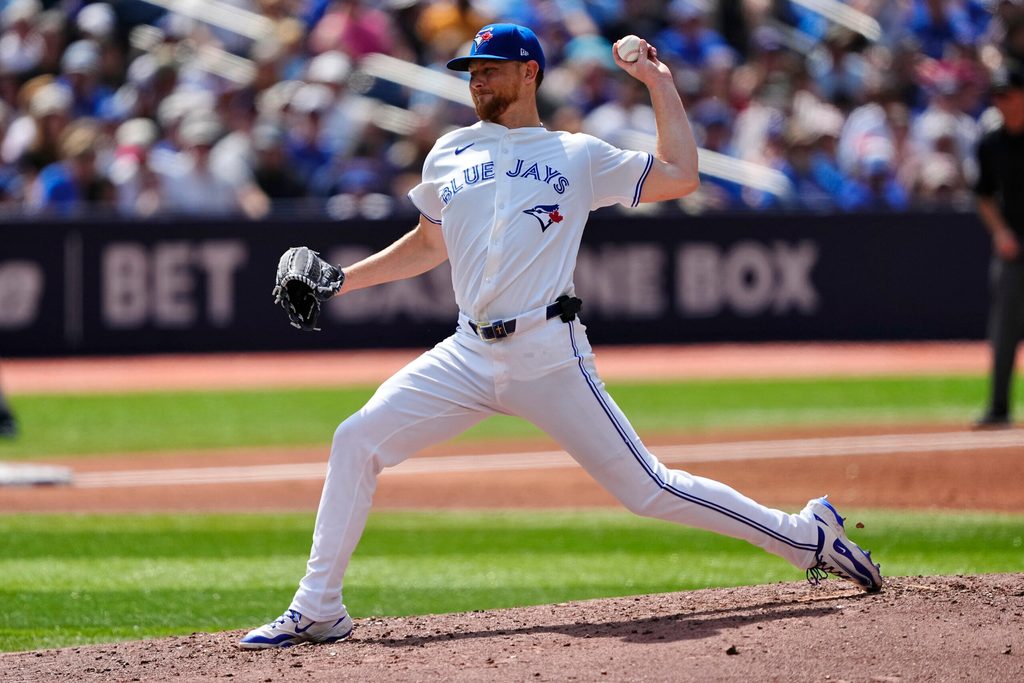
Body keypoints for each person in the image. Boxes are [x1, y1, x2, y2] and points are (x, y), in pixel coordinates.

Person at [239, 24, 883, 649]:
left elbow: (680, 174)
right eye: (471, 71)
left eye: (490, 69)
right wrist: (338, 282)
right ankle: (319, 606)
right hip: (466, 352)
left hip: (548, 353)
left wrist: (658, 82)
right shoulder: (450, 151)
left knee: (649, 490)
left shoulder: (577, 155)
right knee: (356, 439)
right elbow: (429, 243)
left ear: (530, 73)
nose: (477, 80)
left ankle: (806, 536)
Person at [972, 63, 1024, 428]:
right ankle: (999, 406)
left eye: (1007, 95)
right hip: (1014, 247)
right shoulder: (991, 143)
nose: (1001, 103)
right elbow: (983, 195)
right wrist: (1000, 233)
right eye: (996, 96)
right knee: (1003, 330)